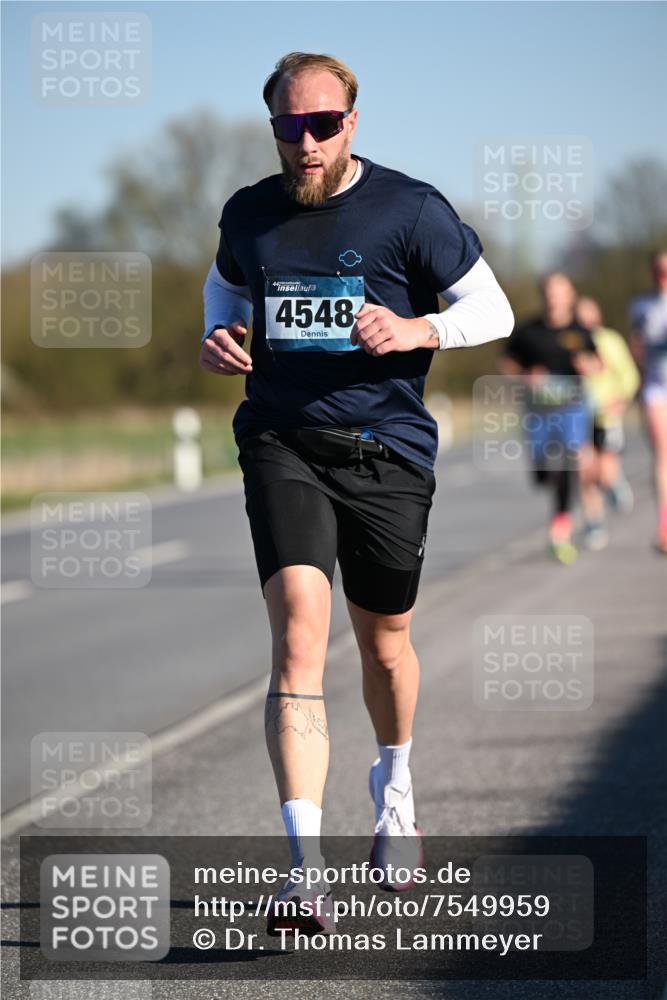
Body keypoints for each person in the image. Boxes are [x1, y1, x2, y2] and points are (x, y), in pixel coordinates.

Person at [200, 51, 514, 935]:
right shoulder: (249, 212)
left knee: (383, 647)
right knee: (299, 634)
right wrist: (218, 332)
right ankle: (304, 872)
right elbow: (224, 284)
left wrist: (419, 327)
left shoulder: (410, 209)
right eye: (289, 126)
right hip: (282, 440)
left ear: (351, 122)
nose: (306, 142)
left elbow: (492, 310)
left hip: (387, 452)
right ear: (272, 127)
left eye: (323, 124)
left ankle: (395, 788)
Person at [499, 273, 600, 564]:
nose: (553, 296)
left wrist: (587, 366)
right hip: (538, 411)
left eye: (559, 291)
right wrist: (524, 376)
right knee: (543, 474)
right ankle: (553, 491)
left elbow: (598, 364)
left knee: (568, 462)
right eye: (548, 291)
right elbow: (506, 361)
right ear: (542, 295)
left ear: (570, 295)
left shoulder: (581, 331)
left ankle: (560, 528)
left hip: (571, 407)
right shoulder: (529, 330)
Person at [575, 296, 639, 550]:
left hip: (606, 414)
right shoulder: (571, 342)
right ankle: (594, 523)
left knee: (603, 469)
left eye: (588, 314)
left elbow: (628, 374)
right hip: (577, 416)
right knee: (583, 471)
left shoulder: (610, 341)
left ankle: (613, 483)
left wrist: (621, 399)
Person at [629, 250, 667, 553]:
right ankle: (664, 526)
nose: (662, 275)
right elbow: (635, 345)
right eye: (658, 269)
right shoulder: (641, 305)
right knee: (662, 455)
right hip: (655, 388)